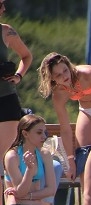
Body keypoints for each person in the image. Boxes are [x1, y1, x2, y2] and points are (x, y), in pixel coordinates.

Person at [36, 53, 91, 178]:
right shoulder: (58, 94)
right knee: (82, 152)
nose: (64, 76)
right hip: (86, 110)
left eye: (65, 70)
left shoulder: (87, 74)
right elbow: (65, 129)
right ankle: (87, 191)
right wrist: (70, 160)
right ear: (52, 78)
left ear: (69, 66)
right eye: (58, 75)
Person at [0, 2, 33, 155]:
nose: (4, 9)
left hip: (6, 97)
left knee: (4, 153)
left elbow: (26, 56)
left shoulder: (6, 31)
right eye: (0, 4)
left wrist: (18, 76)